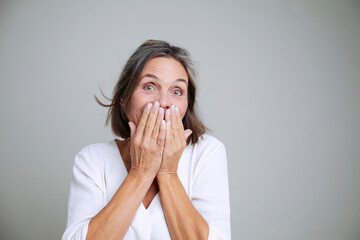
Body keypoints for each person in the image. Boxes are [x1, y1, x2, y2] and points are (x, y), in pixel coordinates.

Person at [62, 40, 231, 240]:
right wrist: (140, 172)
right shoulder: (92, 159)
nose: (164, 103)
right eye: (149, 87)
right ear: (124, 101)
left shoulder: (207, 153)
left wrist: (167, 172)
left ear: (187, 105)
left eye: (177, 91)